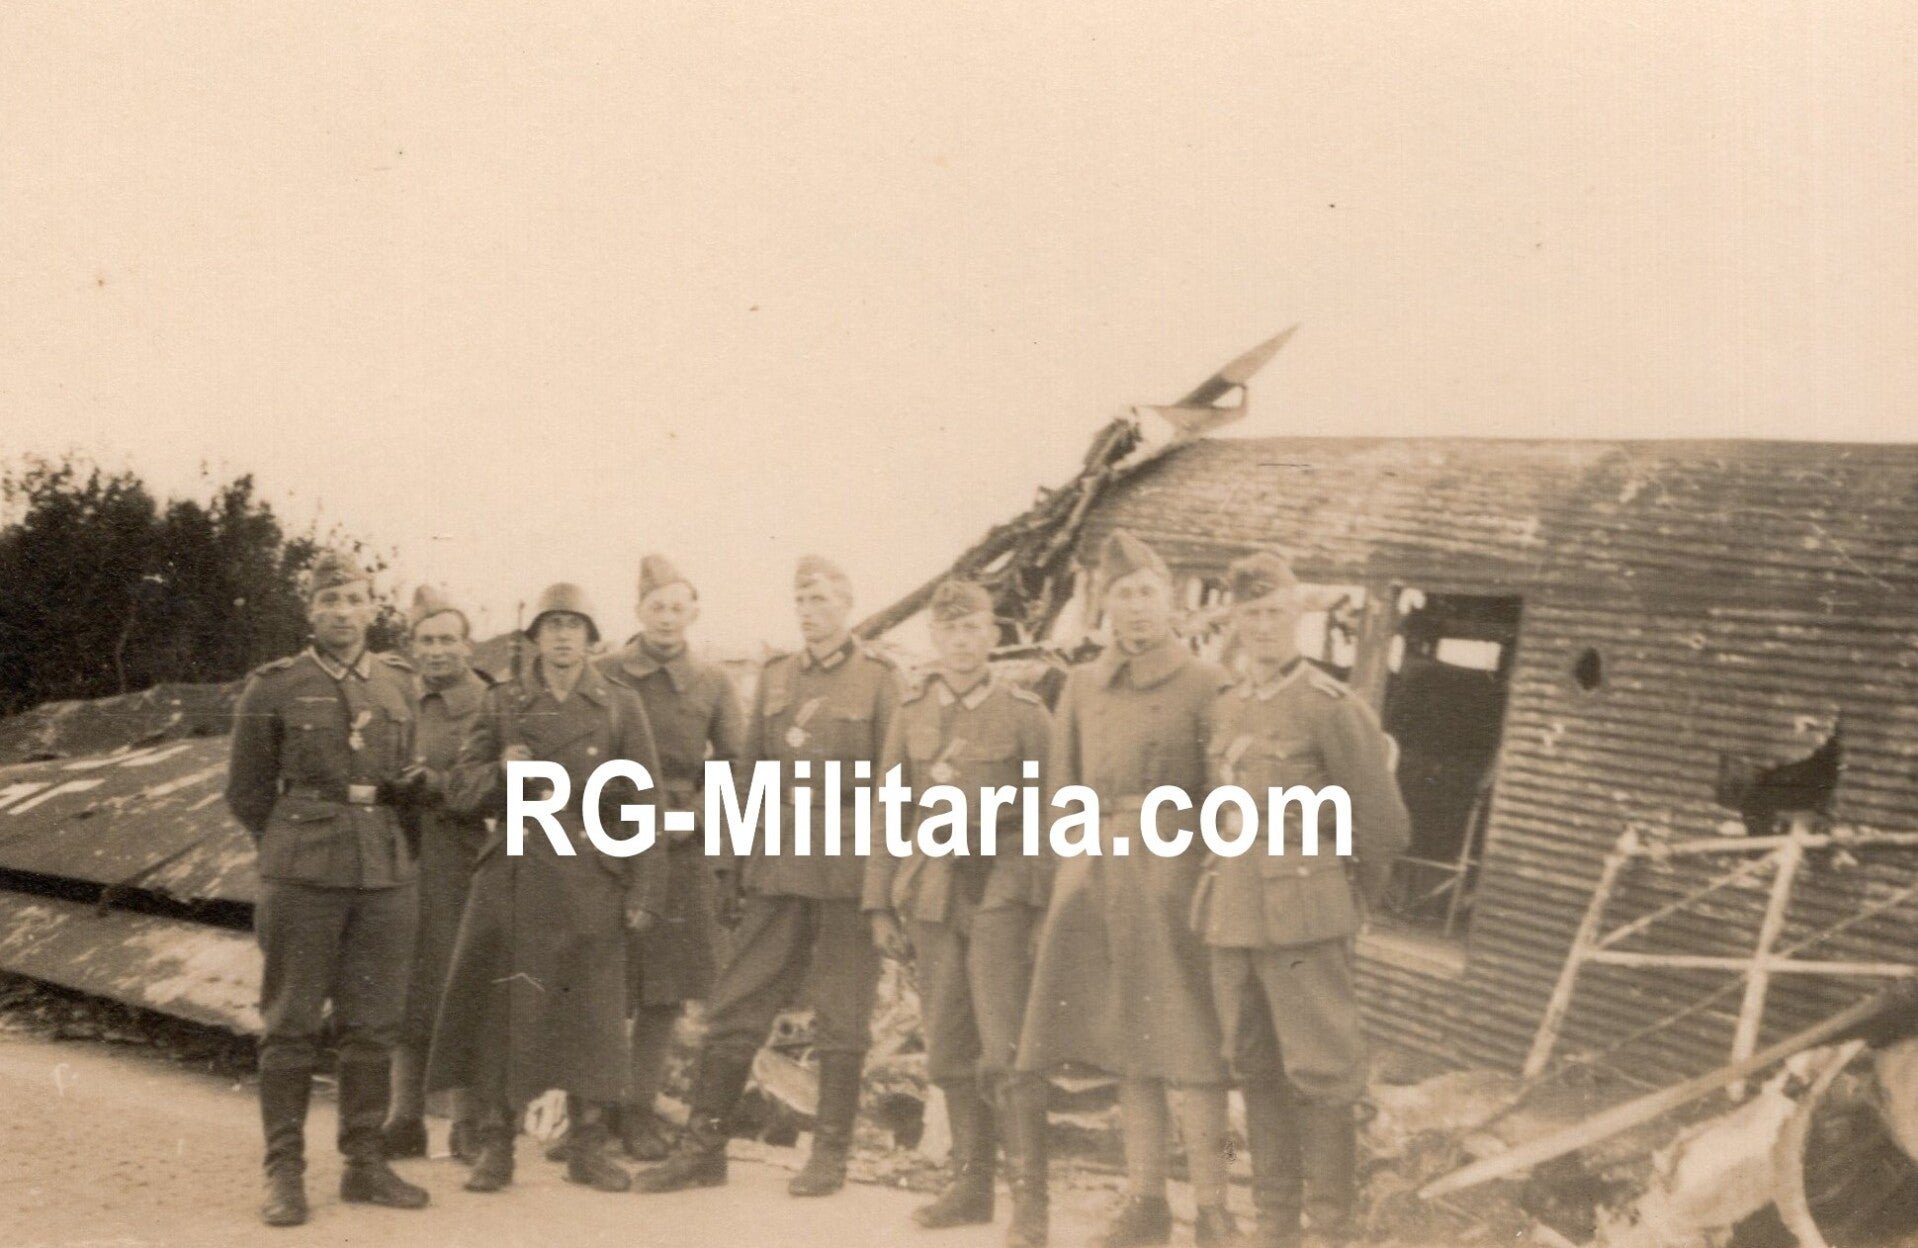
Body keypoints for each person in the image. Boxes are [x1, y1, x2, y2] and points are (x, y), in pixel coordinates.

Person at [636, 555, 900, 1199]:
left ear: (846, 602)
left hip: (846, 865)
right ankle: (705, 1148)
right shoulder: (777, 675)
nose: (809, 611)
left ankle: (829, 1155)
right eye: (800, 600)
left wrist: (885, 882)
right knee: (735, 1004)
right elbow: (744, 772)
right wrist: (728, 863)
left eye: (820, 599)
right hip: (777, 863)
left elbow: (898, 783)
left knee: (843, 1014)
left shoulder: (880, 679)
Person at [1017, 530, 1238, 1248]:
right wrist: (1066, 880)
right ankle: (1145, 1202)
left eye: (1146, 591)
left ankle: (1213, 1209)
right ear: (1105, 604)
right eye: (1122, 594)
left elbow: (1225, 797)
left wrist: (1210, 879)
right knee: (1128, 1042)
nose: (1135, 608)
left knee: (1194, 1048)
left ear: (1169, 597)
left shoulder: (1207, 684)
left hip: (1175, 884)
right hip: (1100, 881)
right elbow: (1063, 794)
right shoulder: (1082, 685)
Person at [1194, 551, 1409, 1248]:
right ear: (1233, 618)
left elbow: (1382, 827)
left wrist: (1341, 901)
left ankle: (1328, 1231)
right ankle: (1274, 1227)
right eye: (1250, 613)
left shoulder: (1329, 706)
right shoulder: (1225, 707)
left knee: (1322, 1077)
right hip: (1233, 918)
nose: (1264, 626)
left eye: (1276, 612)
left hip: (1305, 920)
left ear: (1298, 615)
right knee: (1255, 1071)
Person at [427, 583, 666, 1194]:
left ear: (591, 637)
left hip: (592, 870)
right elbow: (459, 790)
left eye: (574, 625)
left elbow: (645, 802)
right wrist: (503, 775)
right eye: (551, 625)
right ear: (534, 637)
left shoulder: (619, 704)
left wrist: (642, 892)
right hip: (516, 871)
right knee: (505, 1014)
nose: (562, 636)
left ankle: (587, 1146)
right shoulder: (504, 702)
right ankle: (496, 1145)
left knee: (592, 1014)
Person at [224, 548, 431, 1227]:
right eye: (329, 602)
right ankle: (283, 1171)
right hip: (303, 870)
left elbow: (409, 777)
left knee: (373, 1026)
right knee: (289, 1024)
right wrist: (291, 844)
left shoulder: (400, 683)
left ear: (374, 608)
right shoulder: (275, 687)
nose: (343, 613)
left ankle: (364, 1162)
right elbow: (248, 792)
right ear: (309, 611)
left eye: (355, 600)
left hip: (384, 872)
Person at [863, 579, 1054, 1247]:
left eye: (975, 629)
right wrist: (880, 901)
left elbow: (1053, 813)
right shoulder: (912, 709)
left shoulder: (1027, 713)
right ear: (935, 639)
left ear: (993, 637)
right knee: (947, 1047)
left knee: (1007, 1050)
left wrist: (1036, 906)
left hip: (1000, 889)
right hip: (933, 892)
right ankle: (972, 1187)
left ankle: (1032, 1202)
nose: (963, 642)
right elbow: (890, 806)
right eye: (950, 631)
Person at [594, 554, 746, 1160]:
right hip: (611, 842)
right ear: (637, 612)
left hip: (680, 845)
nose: (667, 618)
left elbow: (737, 764)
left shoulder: (713, 681)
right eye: (656, 606)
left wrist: (698, 816)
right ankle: (592, 1114)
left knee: (662, 988)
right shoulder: (603, 672)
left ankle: (637, 1110)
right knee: (603, 980)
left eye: (678, 607)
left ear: (694, 612)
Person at [380, 587, 492, 1163]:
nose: (437, 650)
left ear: (467, 645)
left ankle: (469, 1123)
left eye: (448, 639)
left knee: (464, 987)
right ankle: (406, 1116)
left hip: (469, 863)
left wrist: (440, 787)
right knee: (409, 988)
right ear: (411, 647)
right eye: (426, 640)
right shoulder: (399, 698)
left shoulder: (493, 705)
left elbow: (502, 785)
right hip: (407, 860)